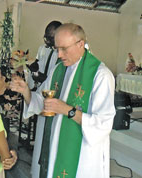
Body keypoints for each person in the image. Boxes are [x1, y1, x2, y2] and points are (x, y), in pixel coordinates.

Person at [10, 23, 116, 178]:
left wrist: (68, 111)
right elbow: (43, 101)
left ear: (80, 44)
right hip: (55, 146)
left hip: (82, 156)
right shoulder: (58, 69)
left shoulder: (100, 76)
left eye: (64, 49)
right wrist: (26, 91)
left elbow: (103, 124)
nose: (59, 55)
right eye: (56, 48)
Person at [26, 20, 62, 178]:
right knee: (40, 141)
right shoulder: (45, 49)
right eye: (46, 37)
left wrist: (41, 77)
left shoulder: (63, 55)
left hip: (56, 108)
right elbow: (43, 76)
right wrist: (34, 71)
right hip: (42, 100)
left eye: (50, 37)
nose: (47, 41)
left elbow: (57, 82)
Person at [27, 20, 62, 90]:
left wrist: (44, 79)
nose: (47, 41)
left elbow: (60, 80)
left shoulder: (62, 54)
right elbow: (39, 63)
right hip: (39, 89)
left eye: (51, 38)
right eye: (46, 37)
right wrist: (34, 67)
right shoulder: (43, 48)